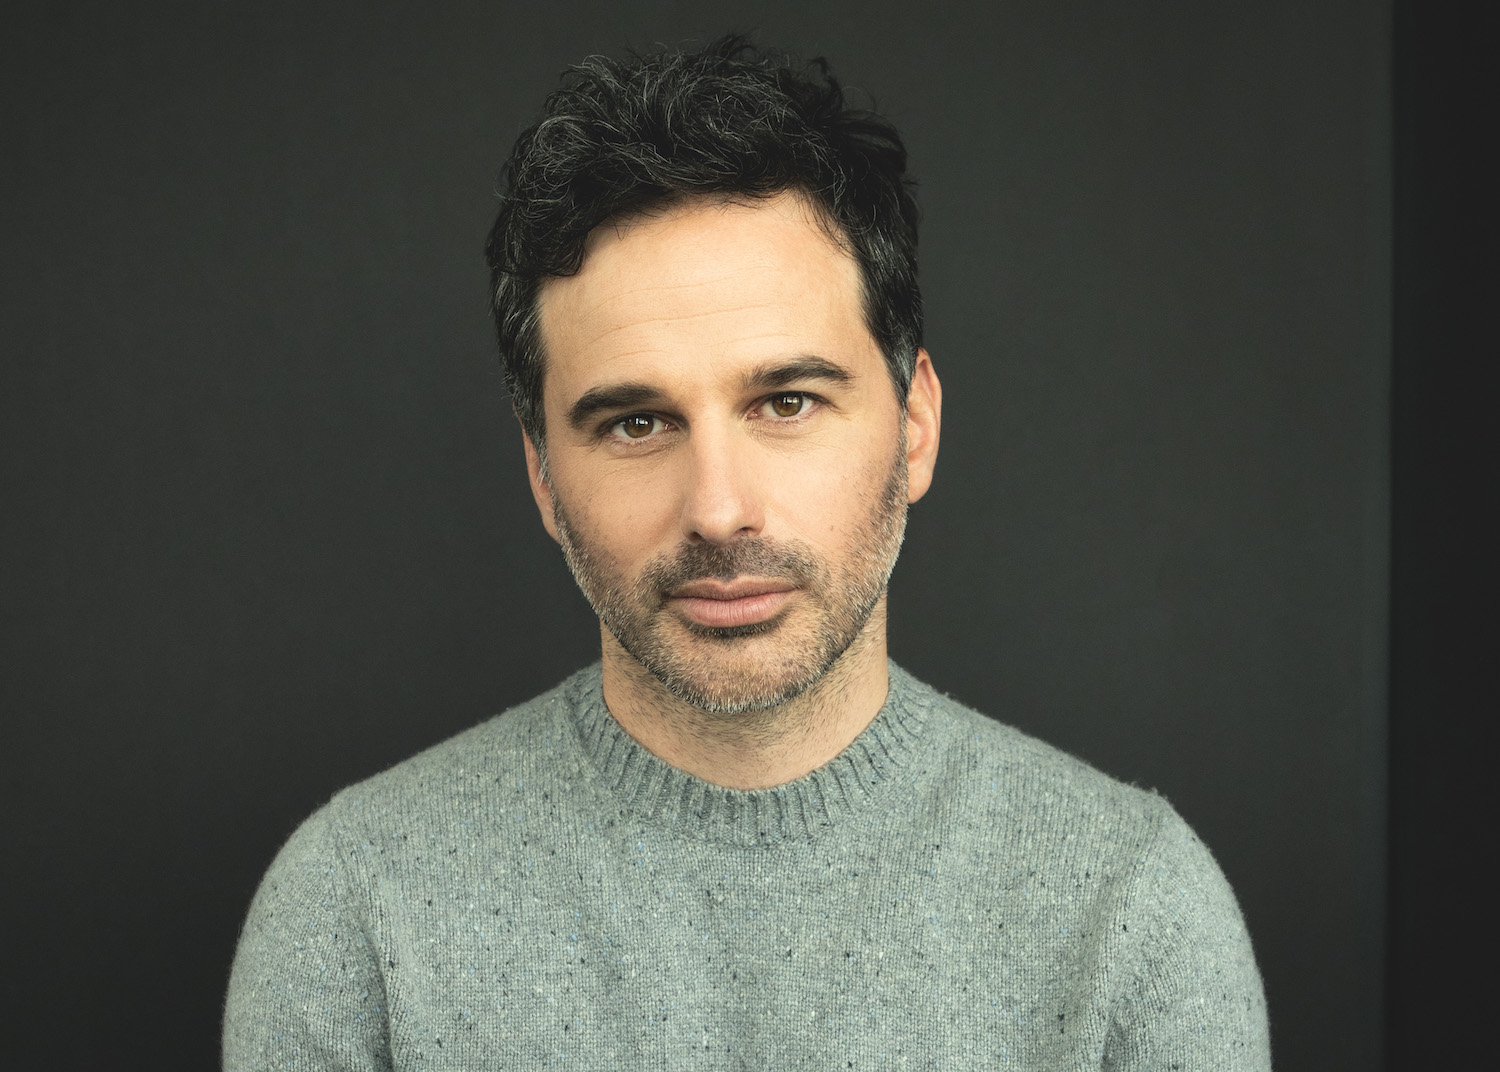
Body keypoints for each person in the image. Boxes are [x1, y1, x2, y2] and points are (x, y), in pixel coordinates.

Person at [224, 36, 1270, 1070]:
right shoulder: (356, 917)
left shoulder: (1133, 911)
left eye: (787, 401)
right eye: (637, 423)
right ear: (542, 472)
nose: (719, 511)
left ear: (914, 427)